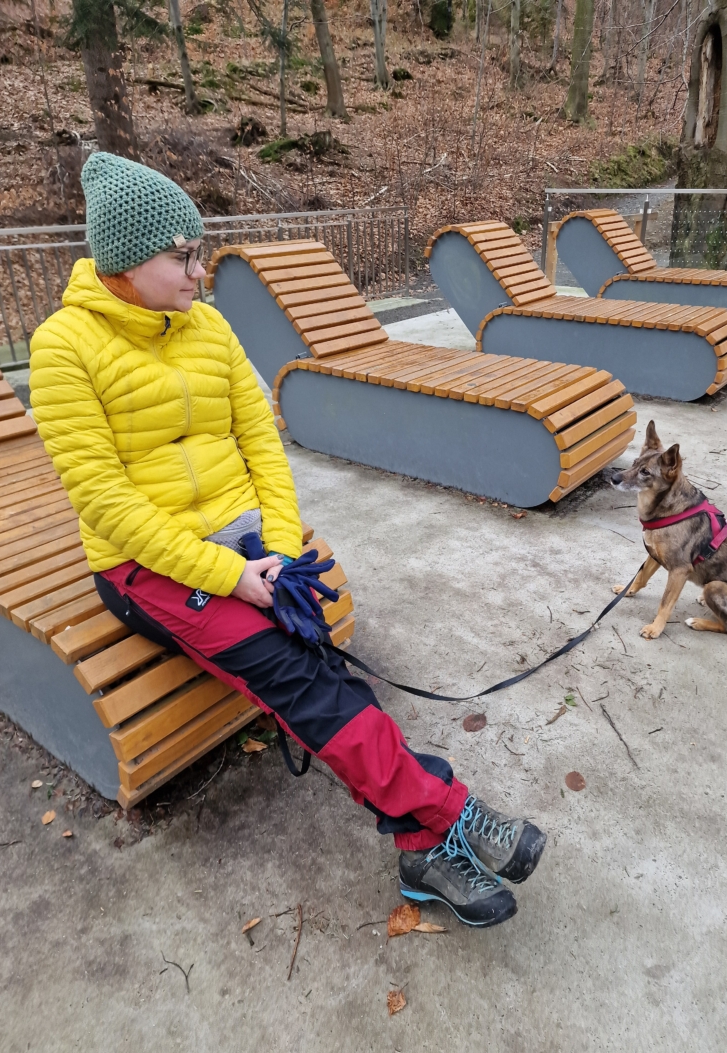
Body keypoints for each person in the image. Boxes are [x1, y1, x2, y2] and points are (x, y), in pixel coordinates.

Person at [30, 152, 546, 928]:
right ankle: (448, 815)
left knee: (313, 661)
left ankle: (418, 846)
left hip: (245, 543)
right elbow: (104, 503)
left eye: (197, 254)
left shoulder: (206, 327)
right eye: (182, 257)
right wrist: (231, 576)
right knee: (295, 672)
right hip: (148, 567)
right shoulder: (63, 346)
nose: (199, 273)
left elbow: (263, 444)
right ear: (128, 261)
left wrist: (278, 551)